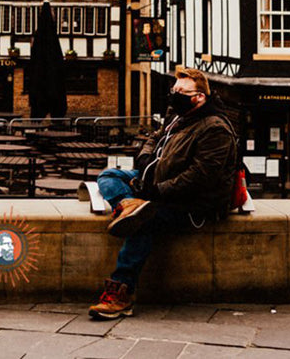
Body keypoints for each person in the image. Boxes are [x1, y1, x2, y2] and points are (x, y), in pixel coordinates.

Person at [88, 68, 238, 320]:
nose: (174, 95)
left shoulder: (215, 129)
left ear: (199, 97)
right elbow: (153, 137)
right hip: (153, 185)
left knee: (144, 222)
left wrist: (156, 192)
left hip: (190, 204)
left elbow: (198, 177)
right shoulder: (177, 115)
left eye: (181, 92)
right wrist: (146, 157)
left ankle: (121, 292)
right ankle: (128, 206)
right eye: (174, 90)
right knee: (109, 176)